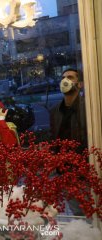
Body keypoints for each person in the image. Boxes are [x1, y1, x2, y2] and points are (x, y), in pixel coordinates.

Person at [49, 68, 87, 216]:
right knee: (77, 212)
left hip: (84, 171)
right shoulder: (55, 110)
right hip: (64, 172)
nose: (65, 81)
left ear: (80, 84)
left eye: (70, 77)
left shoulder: (88, 107)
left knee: (90, 210)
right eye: (63, 78)